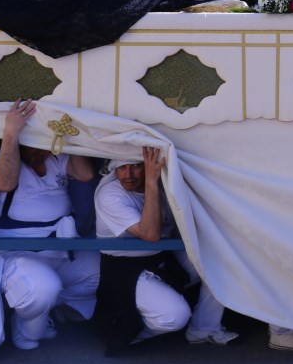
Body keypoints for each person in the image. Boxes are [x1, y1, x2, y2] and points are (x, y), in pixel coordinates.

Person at [94, 148, 243, 352]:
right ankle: (128, 333)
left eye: (136, 167)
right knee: (174, 316)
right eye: (122, 168)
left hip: (161, 258)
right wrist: (151, 181)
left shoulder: (162, 184)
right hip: (125, 268)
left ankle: (203, 328)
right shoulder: (111, 194)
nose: (128, 175)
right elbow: (150, 233)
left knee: (221, 263)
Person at [0, 98, 100, 350]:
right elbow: (4, 184)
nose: (42, 151)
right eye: (36, 144)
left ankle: (52, 309)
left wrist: (72, 133)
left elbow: (85, 175)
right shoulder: (7, 157)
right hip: (15, 252)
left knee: (100, 267)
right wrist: (11, 133)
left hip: (58, 246)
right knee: (43, 288)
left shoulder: (55, 155)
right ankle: (28, 329)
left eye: (45, 144)